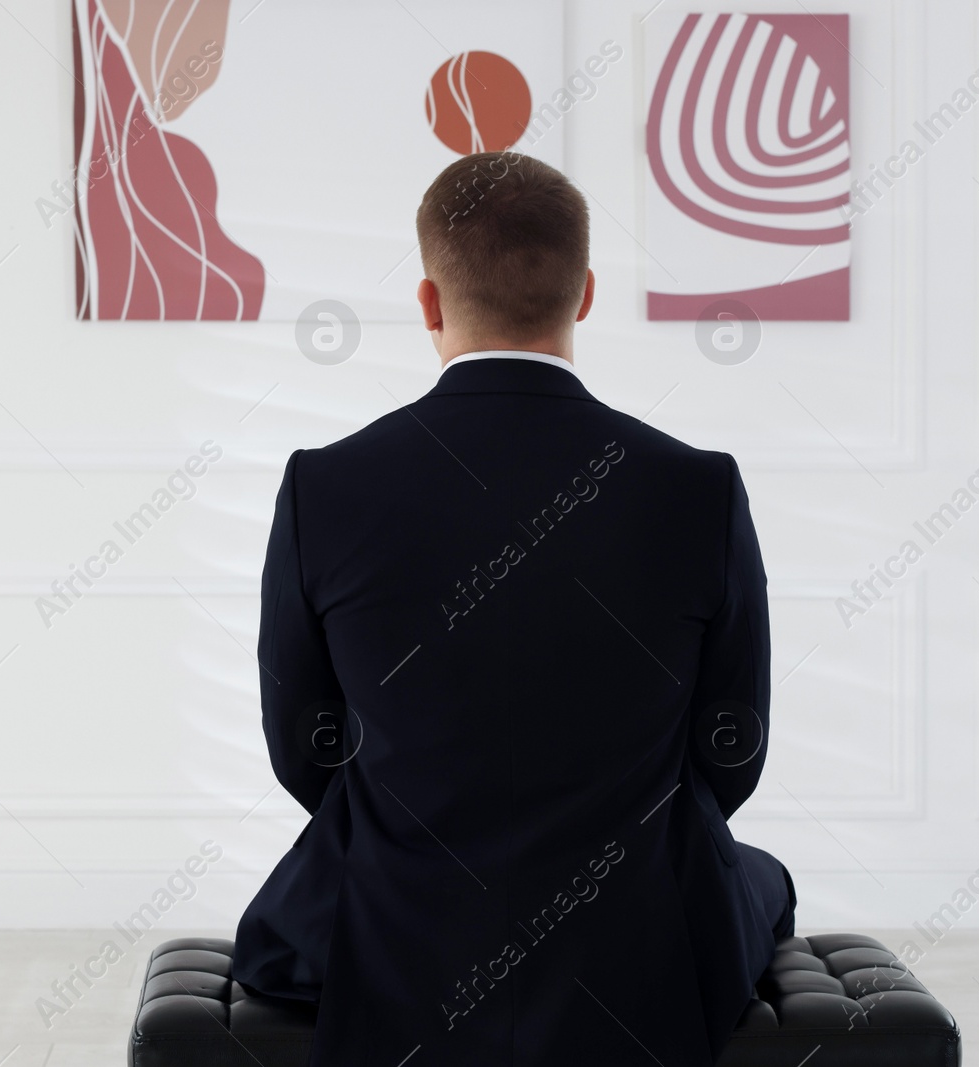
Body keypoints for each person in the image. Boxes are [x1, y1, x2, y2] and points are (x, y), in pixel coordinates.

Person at [232, 151, 795, 1066]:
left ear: (427, 302)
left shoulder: (326, 487)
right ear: (585, 295)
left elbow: (306, 748)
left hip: (401, 929)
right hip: (631, 938)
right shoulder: (695, 488)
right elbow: (732, 747)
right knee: (761, 881)